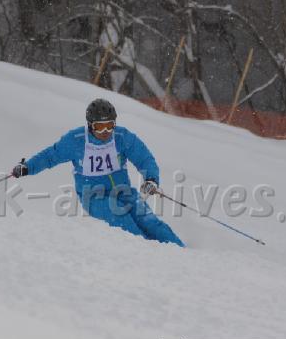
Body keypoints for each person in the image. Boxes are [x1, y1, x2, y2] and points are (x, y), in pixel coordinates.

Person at [11, 98, 185, 247]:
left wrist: (151, 179)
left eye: (109, 125)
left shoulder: (122, 137)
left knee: (150, 222)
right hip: (94, 197)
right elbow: (50, 156)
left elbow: (144, 158)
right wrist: (28, 167)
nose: (105, 132)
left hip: (124, 192)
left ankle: (182, 253)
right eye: (100, 127)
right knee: (121, 217)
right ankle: (150, 253)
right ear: (90, 125)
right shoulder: (76, 141)